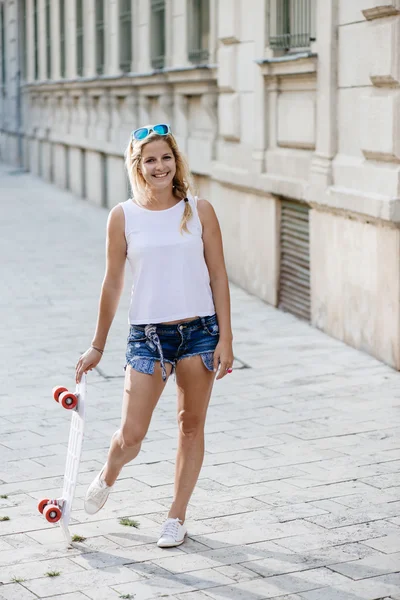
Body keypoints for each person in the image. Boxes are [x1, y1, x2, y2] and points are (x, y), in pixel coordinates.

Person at [75, 123, 233, 548]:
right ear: (137, 166)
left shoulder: (200, 211)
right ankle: (109, 472)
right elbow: (112, 283)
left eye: (166, 157)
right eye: (150, 159)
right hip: (147, 337)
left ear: (176, 161)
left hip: (200, 332)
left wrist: (226, 339)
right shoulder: (123, 216)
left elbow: (218, 275)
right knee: (132, 435)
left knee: (190, 426)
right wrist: (97, 345)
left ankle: (176, 517)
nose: (159, 166)